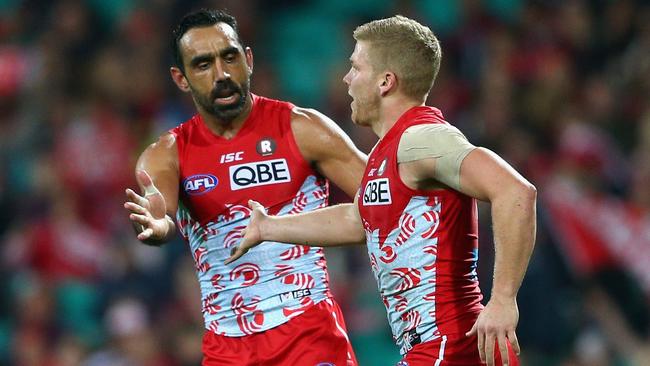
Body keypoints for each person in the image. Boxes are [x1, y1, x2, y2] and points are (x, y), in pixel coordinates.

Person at [228, 15, 537, 366]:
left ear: (385, 81)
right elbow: (360, 219)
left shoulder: (422, 138)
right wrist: (269, 227)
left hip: (449, 347)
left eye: (356, 67)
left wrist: (503, 300)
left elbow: (515, 192)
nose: (346, 79)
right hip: (437, 348)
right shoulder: (387, 152)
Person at [123, 9, 366, 366]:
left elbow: (385, 198)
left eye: (230, 57)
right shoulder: (167, 155)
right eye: (203, 64)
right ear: (181, 78)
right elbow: (159, 214)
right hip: (228, 349)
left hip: (309, 336)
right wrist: (157, 226)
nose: (221, 74)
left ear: (248, 59)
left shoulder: (303, 129)